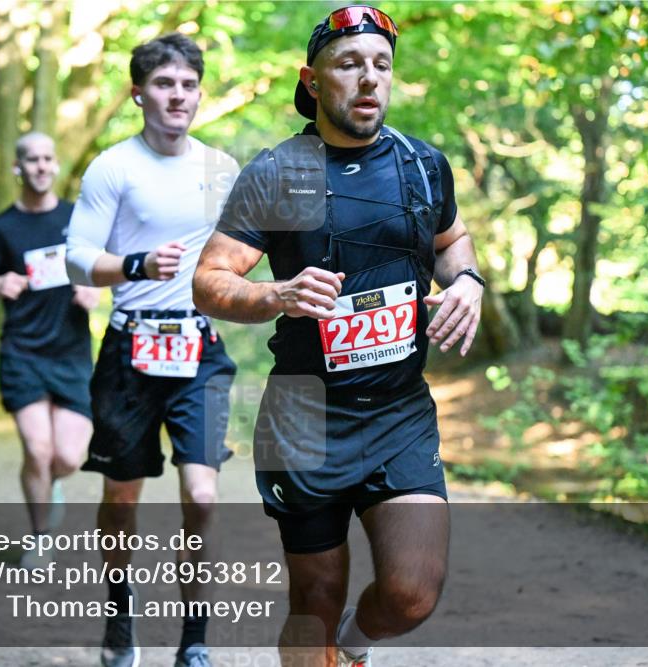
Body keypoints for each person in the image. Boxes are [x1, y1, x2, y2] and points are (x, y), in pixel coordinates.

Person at [193, 6, 485, 666]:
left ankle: (353, 646)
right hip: (306, 416)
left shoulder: (421, 167)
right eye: (350, 64)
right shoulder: (276, 173)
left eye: (381, 65)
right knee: (314, 597)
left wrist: (468, 280)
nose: (369, 79)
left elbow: (452, 240)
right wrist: (276, 293)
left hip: (397, 411)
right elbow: (208, 280)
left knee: (412, 592)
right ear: (314, 79)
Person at [66, 33, 240, 667]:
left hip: (200, 350)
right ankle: (119, 614)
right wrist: (136, 264)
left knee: (202, 493)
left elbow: (251, 251)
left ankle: (194, 638)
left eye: (189, 85)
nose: (178, 96)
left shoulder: (221, 170)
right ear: (138, 92)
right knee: (122, 497)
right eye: (165, 84)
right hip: (129, 354)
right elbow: (78, 260)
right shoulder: (114, 166)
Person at [0, 132, 99, 569]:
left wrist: (93, 290)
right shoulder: (1, 228)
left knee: (67, 457)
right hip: (22, 352)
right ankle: (41, 538)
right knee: (38, 450)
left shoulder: (78, 218)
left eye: (47, 158)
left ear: (56, 165)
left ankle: (48, 483)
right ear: (17, 168)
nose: (41, 166)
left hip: (72, 353)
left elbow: (103, 268)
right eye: (32, 160)